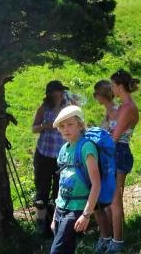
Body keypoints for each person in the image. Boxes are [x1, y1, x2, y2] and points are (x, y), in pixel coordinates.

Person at [50, 105, 101, 254]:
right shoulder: (63, 149)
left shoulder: (87, 147)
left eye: (70, 124)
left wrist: (86, 215)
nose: (66, 129)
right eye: (62, 126)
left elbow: (96, 184)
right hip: (61, 208)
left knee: (56, 251)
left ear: (80, 125)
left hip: (77, 207)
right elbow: (61, 183)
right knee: (67, 249)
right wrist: (54, 216)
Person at [102, 69, 140, 254]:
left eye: (112, 86)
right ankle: (112, 239)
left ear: (119, 86)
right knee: (111, 201)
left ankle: (117, 243)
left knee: (115, 201)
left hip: (119, 153)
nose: (111, 89)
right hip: (114, 153)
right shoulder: (123, 106)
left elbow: (114, 137)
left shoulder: (128, 108)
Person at [32, 80, 70, 236]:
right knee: (42, 189)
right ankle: (41, 224)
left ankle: (56, 223)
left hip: (62, 156)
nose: (58, 96)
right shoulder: (44, 107)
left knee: (59, 191)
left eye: (60, 93)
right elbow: (34, 128)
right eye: (55, 94)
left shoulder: (68, 107)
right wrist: (43, 126)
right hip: (44, 154)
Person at [92, 79, 118, 253]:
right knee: (100, 202)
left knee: (107, 202)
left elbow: (113, 136)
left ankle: (110, 239)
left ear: (100, 96)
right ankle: (105, 236)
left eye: (96, 94)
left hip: (109, 161)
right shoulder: (110, 111)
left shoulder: (114, 112)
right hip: (104, 159)